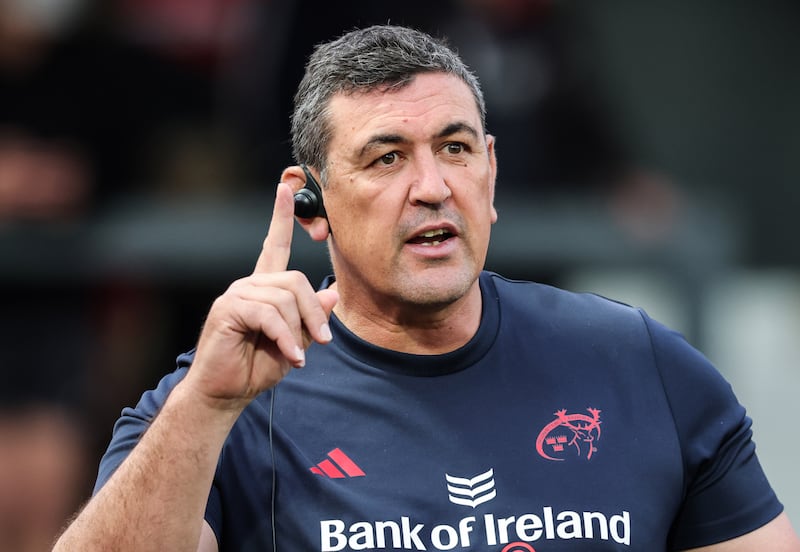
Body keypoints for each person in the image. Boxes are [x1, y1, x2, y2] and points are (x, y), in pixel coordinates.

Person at [53, 24, 800, 552]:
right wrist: (206, 409)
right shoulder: (221, 401)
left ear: (491, 173)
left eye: (455, 148)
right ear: (310, 205)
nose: (433, 187)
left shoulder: (643, 365)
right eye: (386, 159)